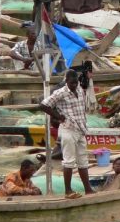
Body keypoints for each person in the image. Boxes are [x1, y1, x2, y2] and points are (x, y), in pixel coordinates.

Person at [40, 69, 95, 199]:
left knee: (83, 161)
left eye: (76, 83)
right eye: (71, 83)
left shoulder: (80, 89)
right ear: (66, 82)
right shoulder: (61, 93)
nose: (74, 85)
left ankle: (88, 189)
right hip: (68, 129)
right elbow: (43, 105)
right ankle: (68, 190)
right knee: (69, 161)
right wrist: (58, 117)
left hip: (81, 129)